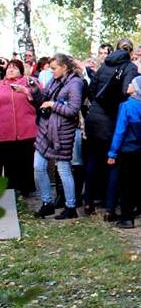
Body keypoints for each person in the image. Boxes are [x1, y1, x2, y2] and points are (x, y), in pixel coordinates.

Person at [83, 38, 139, 218]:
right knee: (114, 163)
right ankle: (110, 208)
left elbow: (92, 89)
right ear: (131, 52)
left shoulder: (105, 65)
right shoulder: (130, 67)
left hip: (94, 117)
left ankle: (88, 202)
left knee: (93, 161)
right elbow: (126, 90)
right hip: (111, 119)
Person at [34, 54, 86, 219]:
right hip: (45, 129)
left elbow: (73, 109)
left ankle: (71, 207)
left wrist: (53, 105)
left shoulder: (75, 83)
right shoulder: (54, 80)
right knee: (38, 166)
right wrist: (32, 91)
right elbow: (43, 99)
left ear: (64, 67)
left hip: (62, 131)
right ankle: (47, 203)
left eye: (54, 68)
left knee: (63, 169)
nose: (52, 71)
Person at [107, 75, 141, 228]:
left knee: (126, 185)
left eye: (132, 83)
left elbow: (120, 130)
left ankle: (127, 218)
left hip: (127, 150)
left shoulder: (126, 106)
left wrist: (112, 152)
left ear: (137, 89)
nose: (128, 84)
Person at [0, 59, 40, 196]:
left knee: (26, 160)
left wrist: (26, 91)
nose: (11, 70)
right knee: (9, 162)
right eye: (9, 68)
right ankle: (12, 191)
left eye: (15, 68)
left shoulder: (29, 82)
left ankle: (27, 189)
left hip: (27, 129)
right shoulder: (1, 85)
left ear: (21, 71)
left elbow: (40, 99)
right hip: (5, 130)